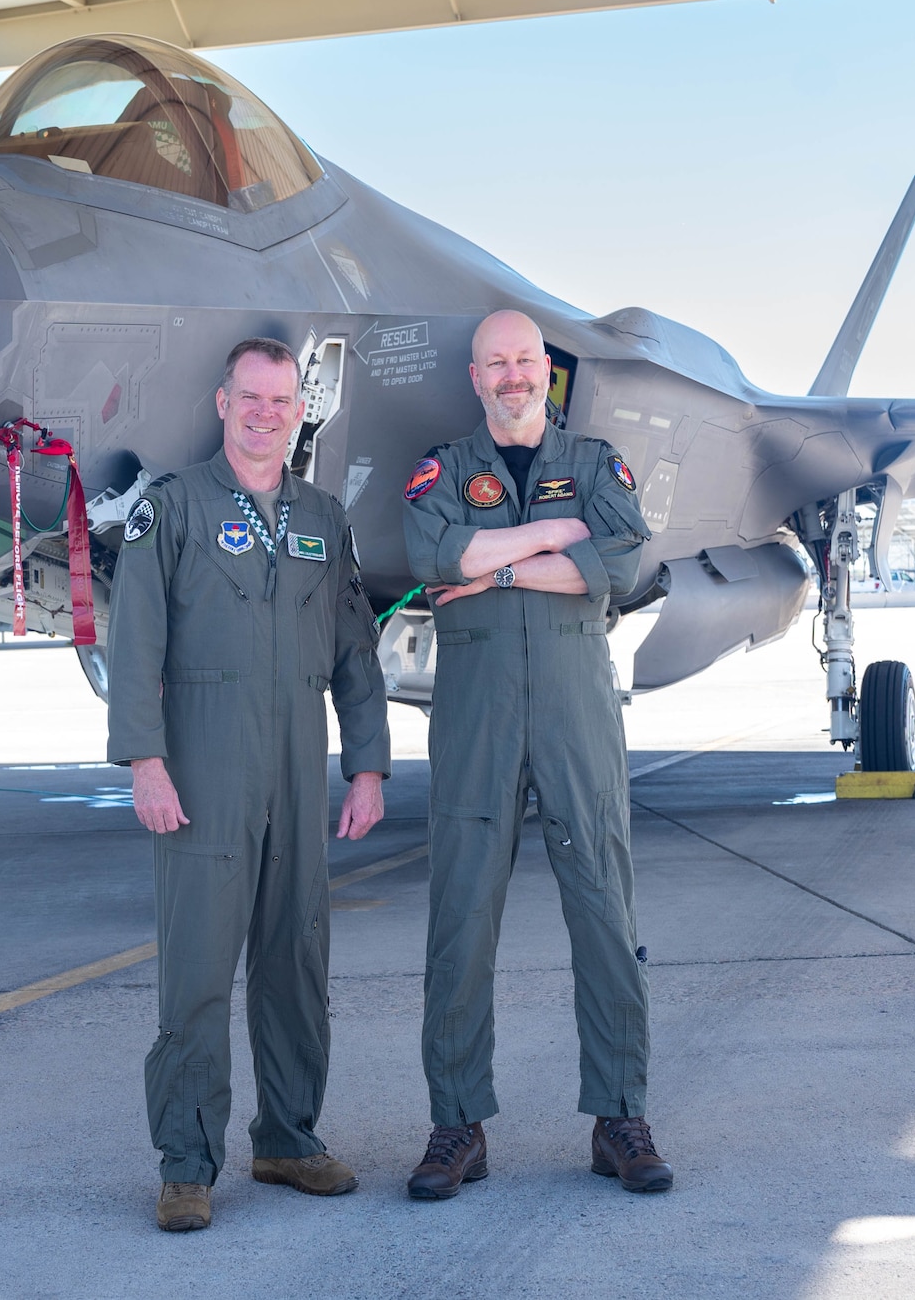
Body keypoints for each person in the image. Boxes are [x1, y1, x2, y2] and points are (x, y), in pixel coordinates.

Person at [108, 336, 391, 1232]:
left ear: (298, 411)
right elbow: (135, 640)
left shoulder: (323, 516)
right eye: (252, 398)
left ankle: (288, 1138)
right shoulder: (174, 506)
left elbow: (355, 649)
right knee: (196, 968)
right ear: (223, 404)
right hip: (201, 764)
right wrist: (144, 760)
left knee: (297, 961)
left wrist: (368, 763)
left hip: (298, 765)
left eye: (283, 400)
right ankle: (187, 1163)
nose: (268, 413)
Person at [398, 308, 674, 1197]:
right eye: (496, 362)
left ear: (544, 373)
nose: (512, 375)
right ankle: (456, 1126)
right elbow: (441, 553)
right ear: (475, 376)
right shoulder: (444, 469)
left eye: (525, 360)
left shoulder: (595, 465)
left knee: (604, 907)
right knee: (460, 918)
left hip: (574, 711)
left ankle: (620, 1116)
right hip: (476, 716)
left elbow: (621, 561)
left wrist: (500, 569)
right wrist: (560, 540)